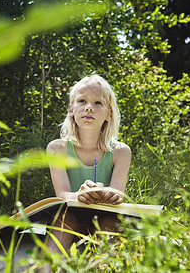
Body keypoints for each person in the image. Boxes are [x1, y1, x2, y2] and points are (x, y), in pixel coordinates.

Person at [45, 74, 132, 259]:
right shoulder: (57, 149)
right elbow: (62, 195)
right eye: (82, 101)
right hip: (71, 220)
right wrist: (79, 194)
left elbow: (118, 195)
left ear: (109, 114)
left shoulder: (121, 152)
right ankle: (48, 269)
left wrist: (107, 193)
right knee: (64, 218)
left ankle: (101, 266)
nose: (89, 107)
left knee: (110, 221)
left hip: (105, 221)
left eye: (98, 103)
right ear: (71, 109)